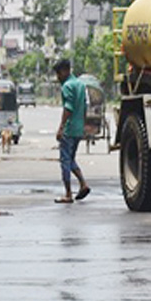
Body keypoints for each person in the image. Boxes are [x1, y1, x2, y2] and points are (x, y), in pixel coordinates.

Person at [54, 59, 91, 204]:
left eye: (58, 73)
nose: (58, 77)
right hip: (78, 129)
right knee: (71, 159)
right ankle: (83, 184)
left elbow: (68, 108)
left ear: (64, 71)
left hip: (69, 130)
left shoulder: (67, 86)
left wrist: (61, 128)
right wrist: (83, 125)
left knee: (65, 161)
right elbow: (84, 106)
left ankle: (68, 193)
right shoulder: (81, 85)